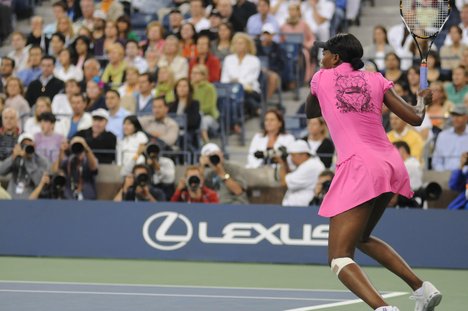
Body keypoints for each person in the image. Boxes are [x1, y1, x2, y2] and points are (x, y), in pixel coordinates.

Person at [305, 33, 441, 311]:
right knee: (362, 238)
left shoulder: (322, 77)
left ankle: (382, 308)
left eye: (325, 53)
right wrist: (423, 100)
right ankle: (422, 288)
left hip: (359, 167)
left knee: (339, 257)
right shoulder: (376, 78)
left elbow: (310, 112)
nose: (321, 57)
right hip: (389, 164)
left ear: (335, 58)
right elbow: (416, 117)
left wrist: (319, 85)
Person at [0, 133, 50, 199]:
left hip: (29, 201)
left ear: (34, 145)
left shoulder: (41, 161)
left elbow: (39, 182)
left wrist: (28, 160)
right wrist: (13, 157)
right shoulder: (16, 157)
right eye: (24, 144)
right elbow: (1, 171)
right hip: (11, 198)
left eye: (29, 144)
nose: (27, 146)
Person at [276, 139, 325, 207]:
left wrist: (281, 163)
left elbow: (284, 183)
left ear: (303, 154)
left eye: (293, 155)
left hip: (301, 209)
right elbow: (289, 174)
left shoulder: (311, 165)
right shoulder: (309, 163)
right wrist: (284, 161)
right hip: (297, 208)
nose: (291, 159)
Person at [52, 136, 98, 200]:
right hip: (70, 195)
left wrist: (86, 148)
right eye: (74, 144)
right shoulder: (69, 161)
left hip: (87, 195)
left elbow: (93, 168)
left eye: (79, 144)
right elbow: (57, 169)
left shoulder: (89, 159)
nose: (77, 146)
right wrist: (61, 150)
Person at [432, 106, 468, 171]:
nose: (455, 119)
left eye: (458, 116)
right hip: (445, 176)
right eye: (453, 116)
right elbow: (436, 161)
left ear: (466, 118)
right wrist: (444, 174)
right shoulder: (443, 136)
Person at [191, 64, 219, 143]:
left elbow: (210, 107)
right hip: (193, 116)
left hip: (209, 116)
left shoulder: (210, 88)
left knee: (203, 120)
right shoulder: (189, 87)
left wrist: (196, 111)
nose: (193, 75)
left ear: (203, 75)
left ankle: (205, 143)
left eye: (196, 73)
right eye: (192, 73)